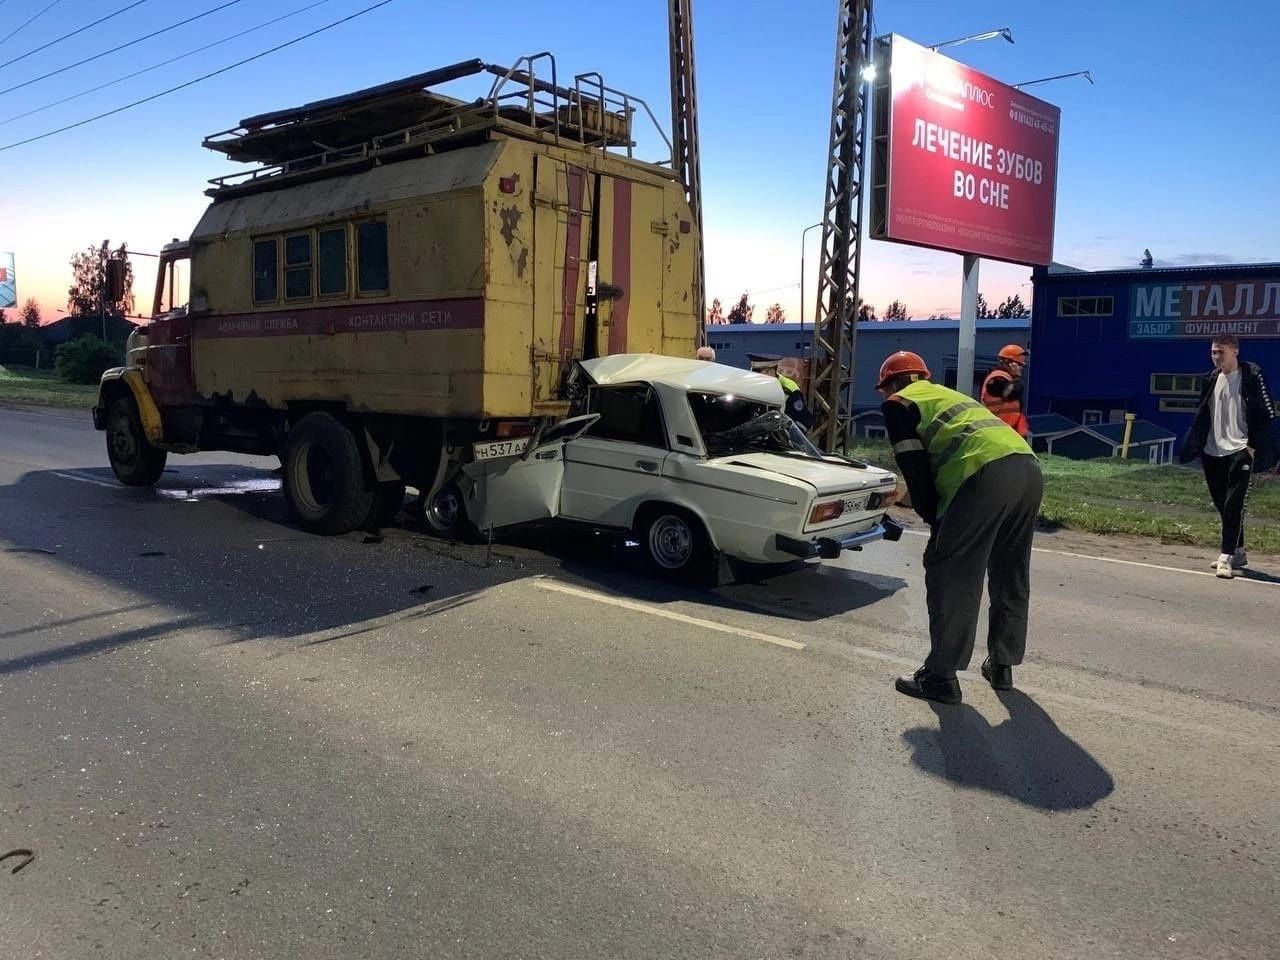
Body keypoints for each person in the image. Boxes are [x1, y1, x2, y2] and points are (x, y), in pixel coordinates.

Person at [877, 350, 1043, 704]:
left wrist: (936, 522)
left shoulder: (898, 404)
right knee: (1010, 572)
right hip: (1027, 470)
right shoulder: (949, 395)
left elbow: (916, 470)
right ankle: (1001, 665)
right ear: (923, 376)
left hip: (983, 474)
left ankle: (940, 677)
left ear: (892, 384)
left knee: (951, 572)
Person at [1179, 334, 1276, 578]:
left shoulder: (1251, 375)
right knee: (1222, 503)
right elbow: (1202, 414)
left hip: (1241, 450)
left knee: (1234, 504)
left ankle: (1225, 556)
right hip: (1213, 451)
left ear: (1235, 351)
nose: (1215, 357)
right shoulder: (1211, 379)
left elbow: (1265, 412)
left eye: (1220, 352)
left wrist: (1254, 446)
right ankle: (1239, 550)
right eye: (1213, 352)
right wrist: (1197, 445)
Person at [981, 344, 1030, 437]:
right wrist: (1017, 377)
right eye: (1019, 365)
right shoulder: (997, 378)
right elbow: (1013, 393)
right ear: (1008, 362)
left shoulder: (1007, 379)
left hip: (1007, 431)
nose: (1020, 368)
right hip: (997, 431)